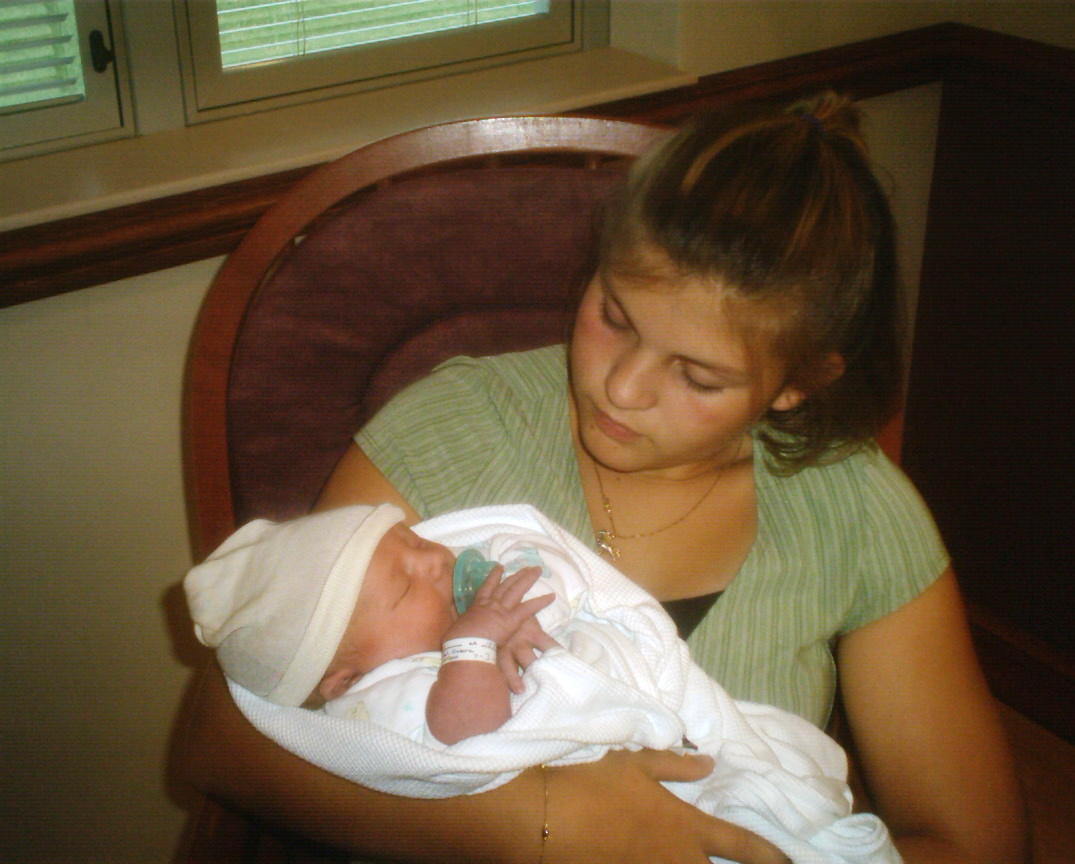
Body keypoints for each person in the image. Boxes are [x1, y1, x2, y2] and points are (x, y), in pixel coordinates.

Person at [181, 92, 1031, 864]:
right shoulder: (455, 429)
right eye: (613, 316)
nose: (622, 388)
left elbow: (978, 844)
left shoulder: (854, 509)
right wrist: (543, 827)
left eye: (697, 376)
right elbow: (219, 736)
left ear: (797, 384)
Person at [186, 502, 900, 863]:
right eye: (404, 587)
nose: (433, 562)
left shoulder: (421, 626)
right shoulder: (373, 700)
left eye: (415, 542)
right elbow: (460, 730)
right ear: (341, 675)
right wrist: (473, 643)